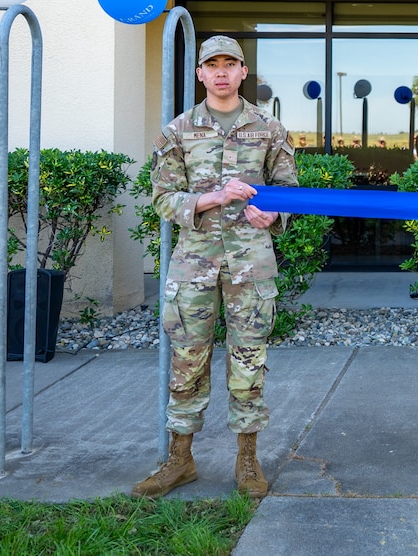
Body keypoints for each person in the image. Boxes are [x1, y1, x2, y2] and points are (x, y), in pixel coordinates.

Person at [132, 35, 298, 499]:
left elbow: (287, 189)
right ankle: (179, 459)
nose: (222, 72)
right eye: (212, 65)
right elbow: (163, 198)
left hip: (251, 262)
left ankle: (247, 460)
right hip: (195, 262)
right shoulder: (177, 131)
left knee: (249, 361)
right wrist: (213, 197)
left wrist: (275, 215)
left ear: (245, 72)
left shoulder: (269, 128)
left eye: (231, 64)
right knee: (187, 361)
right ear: (200, 74)